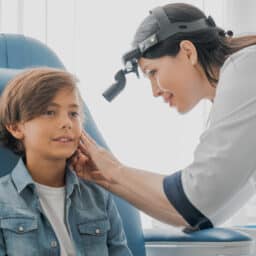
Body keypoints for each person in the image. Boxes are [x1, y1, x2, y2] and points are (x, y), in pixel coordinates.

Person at [71, 2, 256, 231]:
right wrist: (106, 177)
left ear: (188, 52)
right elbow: (200, 215)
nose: (155, 91)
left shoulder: (246, 69)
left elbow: (194, 201)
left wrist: (114, 171)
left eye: (152, 72)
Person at [0, 68, 132, 256]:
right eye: (49, 112)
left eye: (73, 114)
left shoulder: (99, 197)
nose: (66, 123)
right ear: (15, 127)